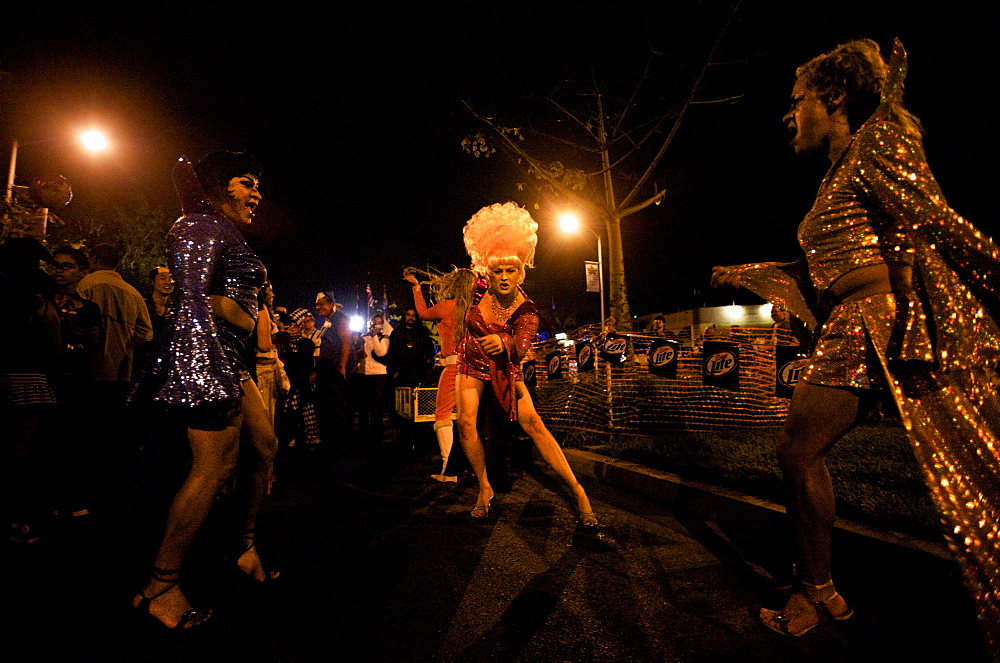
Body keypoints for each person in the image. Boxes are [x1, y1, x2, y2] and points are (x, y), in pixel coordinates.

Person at [711, 39, 999, 642]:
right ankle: (820, 591)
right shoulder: (837, 174)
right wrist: (756, 273)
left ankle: (817, 593)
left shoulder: (876, 144)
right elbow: (830, 264)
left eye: (797, 101)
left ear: (834, 95)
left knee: (800, 448)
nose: (787, 115)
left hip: (876, 320)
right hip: (855, 320)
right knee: (802, 450)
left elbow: (934, 221)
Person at [130, 152, 278, 630]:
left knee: (264, 446)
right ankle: (159, 587)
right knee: (214, 467)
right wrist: (207, 371)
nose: (256, 193)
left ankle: (243, 548)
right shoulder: (196, 225)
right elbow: (192, 304)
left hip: (231, 357)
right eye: (246, 181)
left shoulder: (225, 231)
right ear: (217, 186)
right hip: (209, 355)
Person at [456, 202, 598, 526]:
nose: (504, 277)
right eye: (497, 271)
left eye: (511, 270)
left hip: (507, 366)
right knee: (465, 422)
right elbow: (463, 316)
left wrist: (504, 342)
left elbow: (519, 351)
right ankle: (484, 487)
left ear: (520, 271)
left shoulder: (527, 311)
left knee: (533, 424)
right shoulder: (477, 293)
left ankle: (578, 491)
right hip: (472, 361)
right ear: (487, 272)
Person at [405, 266, 478, 482]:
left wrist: (416, 288)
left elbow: (423, 314)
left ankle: (449, 468)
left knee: (443, 414)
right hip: (473, 367)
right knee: (468, 417)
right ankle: (471, 467)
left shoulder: (447, 306)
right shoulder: (474, 309)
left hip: (453, 366)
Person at [313, 290, 353, 449]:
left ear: (331, 304)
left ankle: (340, 444)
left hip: (335, 371)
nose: (318, 308)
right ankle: (331, 441)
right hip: (326, 370)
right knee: (327, 406)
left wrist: (342, 366)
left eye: (321, 304)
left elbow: (346, 341)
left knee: (337, 407)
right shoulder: (328, 320)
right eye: (316, 305)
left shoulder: (340, 319)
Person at [354, 314, 391, 445]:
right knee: (363, 407)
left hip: (378, 375)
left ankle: (376, 437)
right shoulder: (362, 338)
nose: (376, 325)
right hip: (363, 374)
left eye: (379, 322)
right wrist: (357, 355)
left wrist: (375, 336)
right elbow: (356, 354)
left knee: (376, 408)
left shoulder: (384, 338)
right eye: (373, 322)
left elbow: (381, 352)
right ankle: (362, 435)